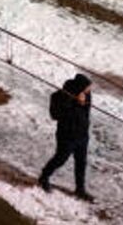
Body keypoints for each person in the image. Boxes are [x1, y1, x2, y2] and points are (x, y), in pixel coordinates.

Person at [38, 73, 94, 202]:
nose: (89, 90)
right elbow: (56, 115)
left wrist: (82, 103)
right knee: (60, 159)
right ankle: (44, 177)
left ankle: (80, 189)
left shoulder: (87, 95)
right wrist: (76, 102)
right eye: (87, 87)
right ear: (79, 87)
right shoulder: (59, 96)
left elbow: (85, 113)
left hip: (82, 135)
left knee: (81, 163)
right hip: (67, 135)